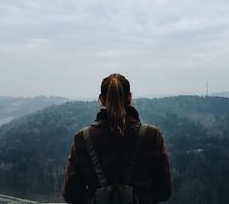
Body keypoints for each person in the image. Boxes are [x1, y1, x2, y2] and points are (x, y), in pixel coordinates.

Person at [63, 73, 172, 204]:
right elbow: (164, 191)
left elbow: (71, 195)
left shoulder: (82, 138)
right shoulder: (151, 135)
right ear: (129, 97)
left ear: (101, 99)